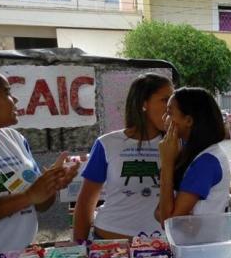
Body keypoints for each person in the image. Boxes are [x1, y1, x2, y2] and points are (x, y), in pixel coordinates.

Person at [73, 73, 173, 240]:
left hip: (161, 247)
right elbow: (86, 202)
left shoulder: (178, 145)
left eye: (172, 101)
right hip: (109, 243)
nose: (170, 108)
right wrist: (77, 250)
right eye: (165, 100)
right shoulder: (107, 143)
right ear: (143, 104)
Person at [0, 69, 79, 258]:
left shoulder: (14, 139)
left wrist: (51, 183)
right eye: (6, 92)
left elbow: (40, 204)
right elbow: (31, 197)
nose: (14, 100)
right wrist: (29, 195)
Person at [158, 87, 231, 222]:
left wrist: (167, 162)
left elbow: (168, 221)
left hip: (202, 242)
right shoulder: (190, 152)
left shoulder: (206, 162)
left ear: (188, 121)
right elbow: (158, 212)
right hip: (189, 242)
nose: (164, 118)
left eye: (169, 113)